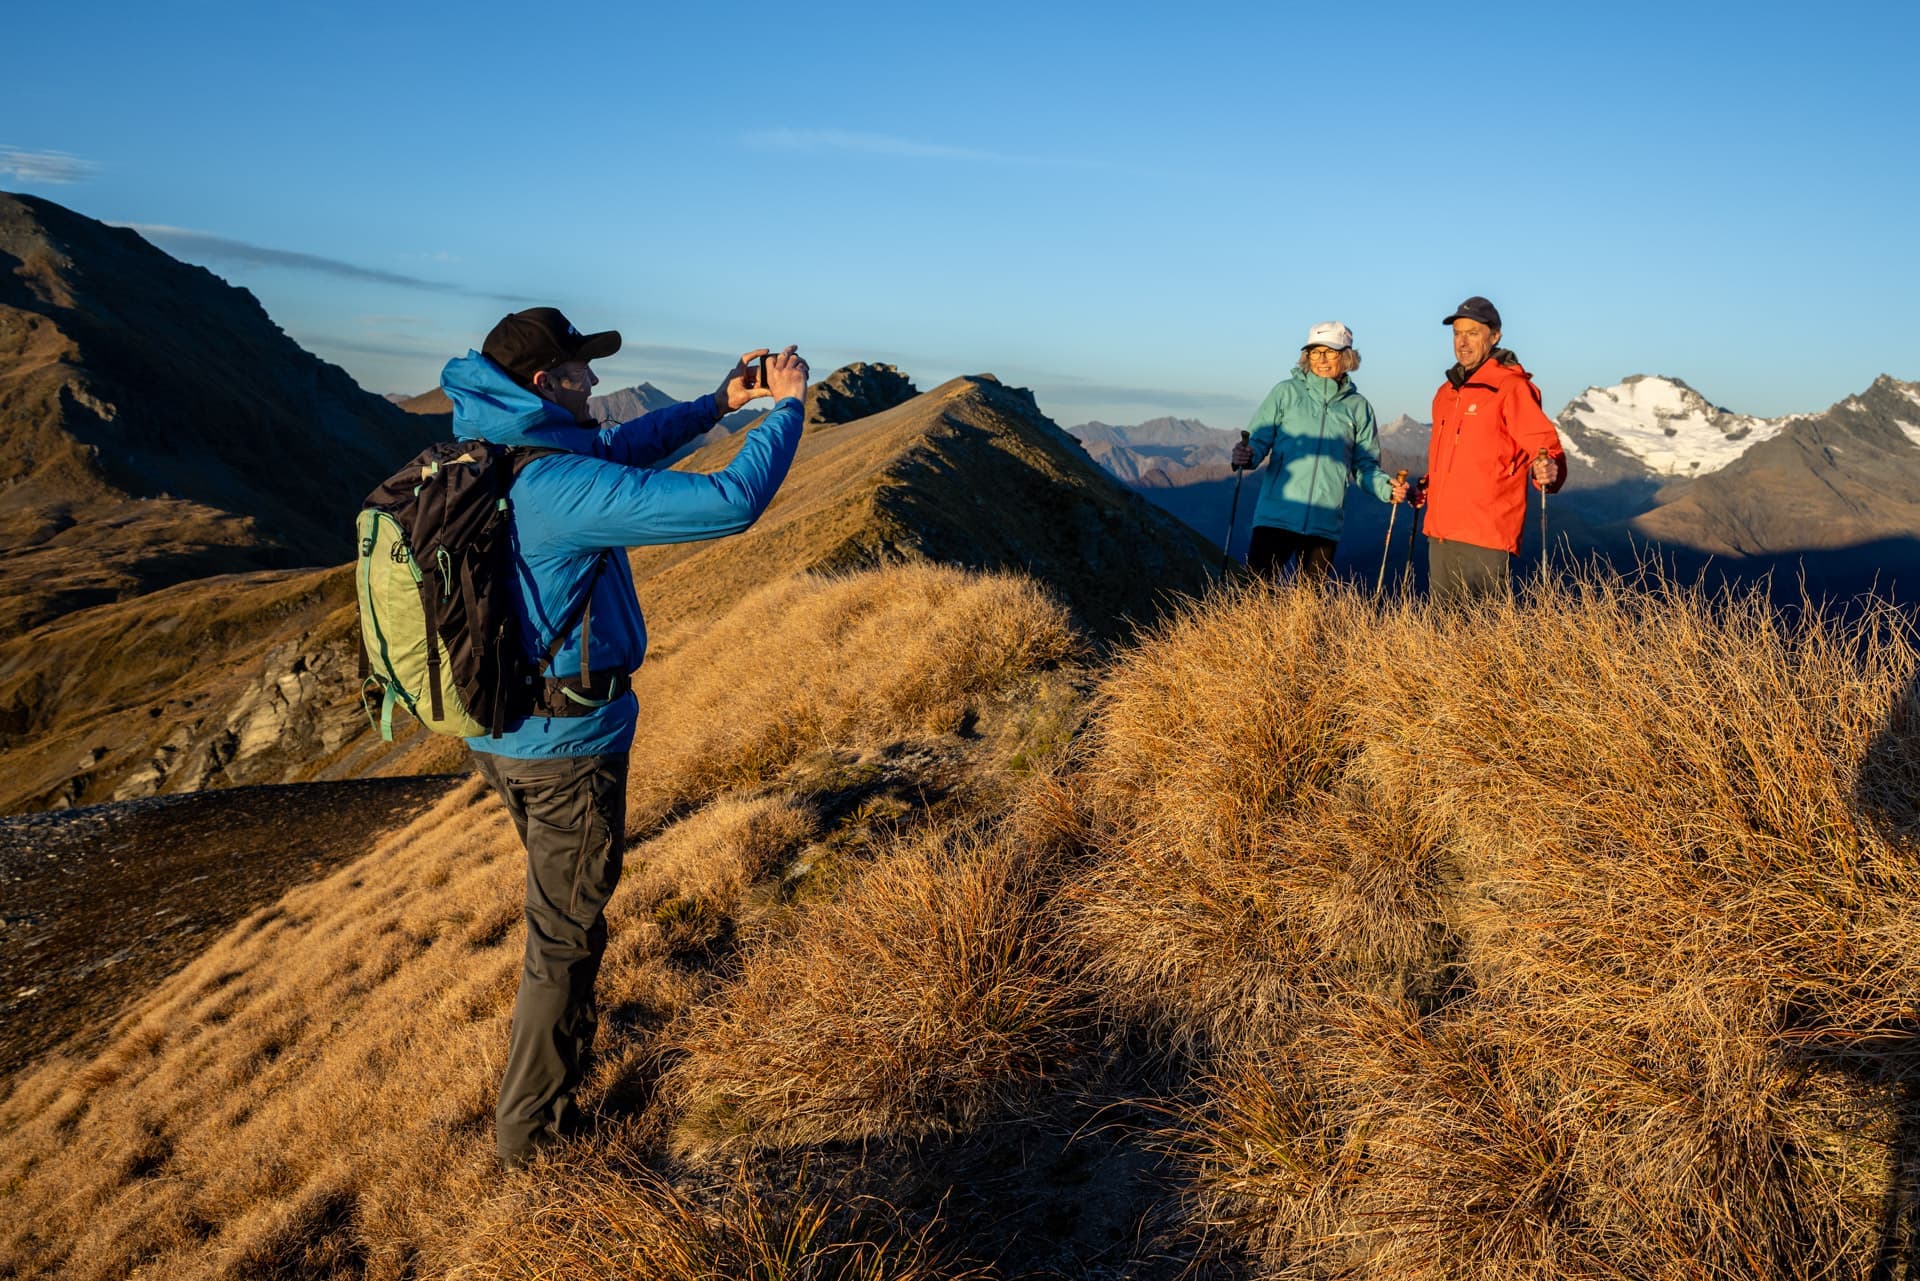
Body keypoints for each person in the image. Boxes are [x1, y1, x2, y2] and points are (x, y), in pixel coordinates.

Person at [439, 306, 808, 1169]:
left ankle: (540, 1111)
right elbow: (728, 502)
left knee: (560, 921)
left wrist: (719, 402)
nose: (595, 383)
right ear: (544, 384)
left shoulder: (503, 452)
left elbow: (623, 450)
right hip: (568, 747)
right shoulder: (555, 484)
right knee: (562, 940)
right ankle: (533, 1145)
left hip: (512, 729)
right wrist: (785, 410)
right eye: (579, 372)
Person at [1396, 296, 1566, 602]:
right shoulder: (1446, 393)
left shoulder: (1511, 387)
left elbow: (1545, 446)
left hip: (1486, 532)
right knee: (1443, 632)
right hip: (1441, 531)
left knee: (1482, 636)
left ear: (1495, 335)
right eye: (1457, 334)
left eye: (1472, 333)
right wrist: (1428, 488)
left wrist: (1549, 471)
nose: (1462, 342)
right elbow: (1455, 458)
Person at [1229, 322, 1396, 580]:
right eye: (1314, 352)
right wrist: (1247, 455)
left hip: (1324, 522)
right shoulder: (1286, 392)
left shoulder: (1358, 408)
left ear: (1347, 357)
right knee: (1254, 596)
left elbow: (1365, 465)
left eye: (1330, 352)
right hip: (1277, 515)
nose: (1321, 359)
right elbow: (1259, 439)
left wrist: (1387, 488)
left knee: (1309, 605)